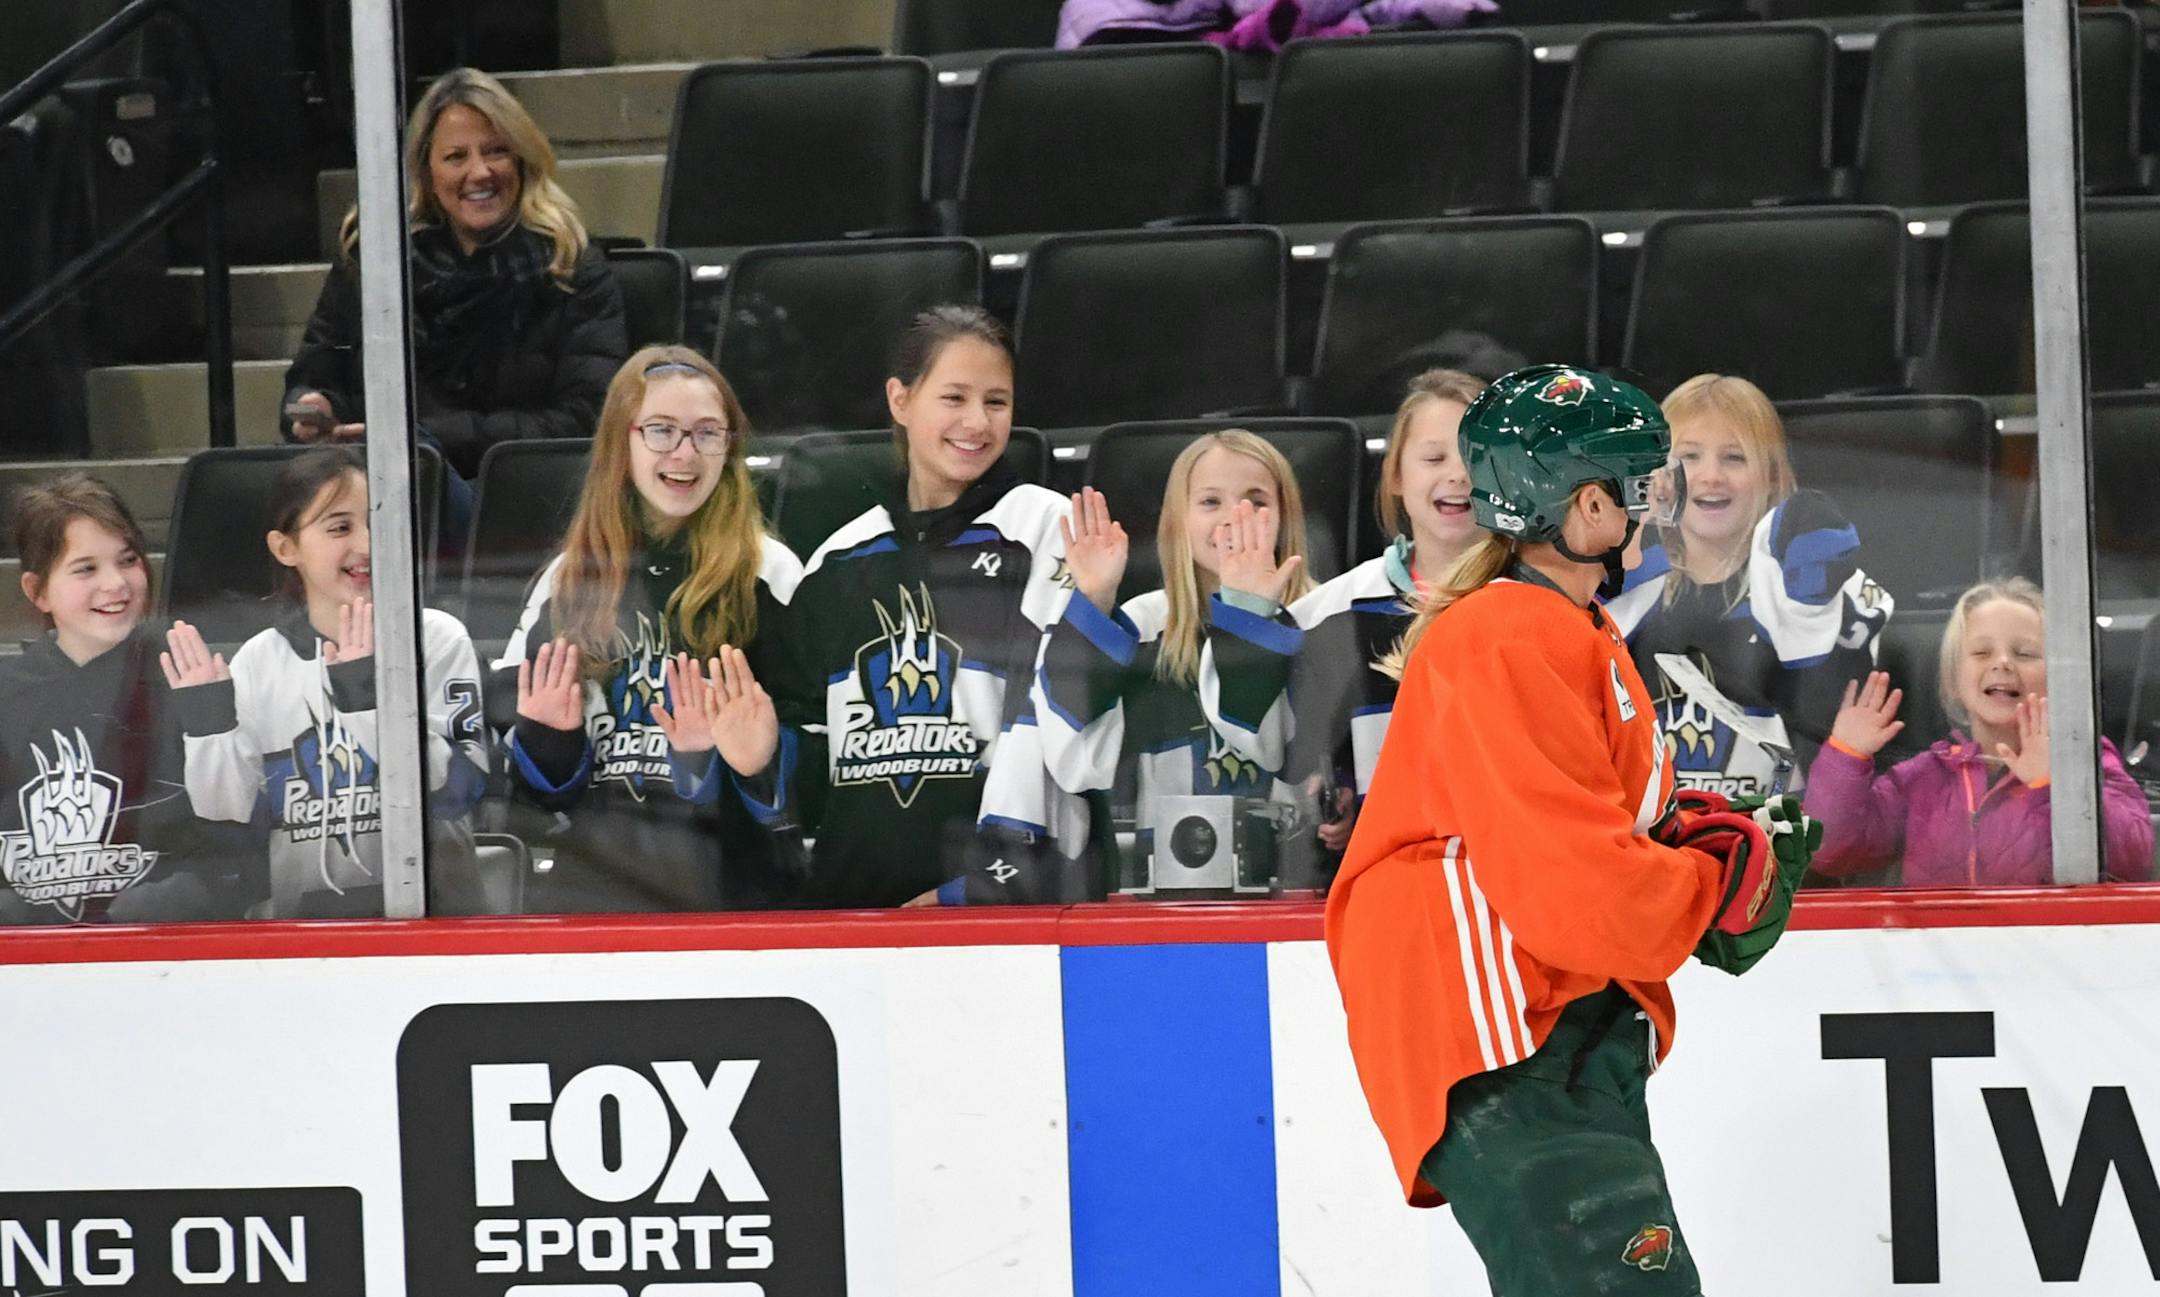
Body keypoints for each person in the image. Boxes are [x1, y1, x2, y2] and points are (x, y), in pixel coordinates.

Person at [1326, 365, 1820, 1296]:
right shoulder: (1511, 631)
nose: (1653, 503)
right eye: (1639, 485)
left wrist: (1697, 847)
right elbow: (1567, 878)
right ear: (1587, 505)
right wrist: (1710, 893)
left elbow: (1603, 827)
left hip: (1558, 1024)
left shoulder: (1571, 627)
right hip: (1505, 1031)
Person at [749, 305, 1089, 908]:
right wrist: (758, 758)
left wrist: (977, 891)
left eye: (997, 401)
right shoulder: (838, 558)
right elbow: (805, 745)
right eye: (954, 397)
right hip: (853, 910)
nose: (977, 422)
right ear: (900, 400)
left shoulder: (1043, 526)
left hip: (991, 911)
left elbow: (1055, 720)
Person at [493, 347, 804, 912]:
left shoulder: (771, 572)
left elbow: (808, 780)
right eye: (662, 430)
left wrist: (746, 762)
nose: (686, 453)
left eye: (709, 433)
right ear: (622, 440)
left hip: (730, 891)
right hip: (593, 894)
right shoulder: (567, 581)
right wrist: (550, 740)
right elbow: (533, 798)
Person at [282, 67, 628, 535]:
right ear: (427, 170)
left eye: (496, 152)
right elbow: (317, 374)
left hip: (525, 501)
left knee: (416, 478)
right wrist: (313, 408)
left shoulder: (572, 268)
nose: (479, 173)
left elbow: (588, 419)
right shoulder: (375, 262)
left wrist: (428, 440)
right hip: (383, 499)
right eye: (456, 157)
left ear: (523, 161)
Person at [162, 447, 489, 918]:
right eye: (340, 527)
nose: (368, 544)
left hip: (432, 921)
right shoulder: (258, 660)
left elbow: (459, 791)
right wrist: (210, 731)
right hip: (305, 934)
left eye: (379, 521)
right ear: (285, 547)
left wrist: (370, 704)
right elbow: (232, 832)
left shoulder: (435, 637)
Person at [1202, 370, 1487, 882]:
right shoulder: (1332, 611)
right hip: (1386, 890)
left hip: (1516, 885)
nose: (1458, 475)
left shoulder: (1544, 601)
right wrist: (1248, 619)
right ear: (1396, 475)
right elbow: (1274, 751)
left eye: (1475, 457)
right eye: (1434, 457)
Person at [1033, 430, 1314, 886]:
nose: (1234, 517)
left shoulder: (1319, 618)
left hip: (1299, 892)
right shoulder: (1136, 627)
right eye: (1210, 502)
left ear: (1286, 516)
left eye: (1256, 500)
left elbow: (1276, 748)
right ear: (1175, 522)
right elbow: (1072, 761)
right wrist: (1094, 602)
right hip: (1159, 899)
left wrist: (1249, 616)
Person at [1606, 372, 1893, 800]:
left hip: (1780, 842)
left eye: (1734, 458)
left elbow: (1843, 748)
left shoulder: (1816, 585)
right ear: (1658, 477)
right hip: (1651, 842)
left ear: (1774, 477)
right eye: (1688, 457)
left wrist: (1808, 616)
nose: (1710, 476)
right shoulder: (1620, 588)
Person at [0, 475, 255, 923]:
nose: (116, 583)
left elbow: (235, 842)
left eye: (128, 560)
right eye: (86, 568)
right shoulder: (10, 693)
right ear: (37, 591)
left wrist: (210, 724)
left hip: (159, 957)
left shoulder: (183, 672)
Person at [1804, 578, 2153, 886]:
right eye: (1982, 652)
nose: (2002, 662)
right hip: (1936, 958)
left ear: (2059, 679)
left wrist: (2048, 785)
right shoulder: (1922, 779)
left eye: (2025, 653)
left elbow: (2133, 858)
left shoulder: (2086, 763)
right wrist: (1845, 757)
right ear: (1954, 682)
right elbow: (1830, 852)